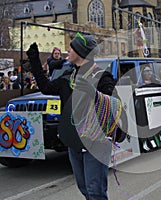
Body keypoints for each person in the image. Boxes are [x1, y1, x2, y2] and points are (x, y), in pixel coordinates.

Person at [26, 32, 116, 200]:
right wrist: (34, 60)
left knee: (95, 191)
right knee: (84, 188)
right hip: (74, 142)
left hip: (96, 141)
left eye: (71, 47)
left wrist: (93, 93)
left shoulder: (102, 77)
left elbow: (113, 103)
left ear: (81, 52)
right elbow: (46, 87)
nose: (67, 49)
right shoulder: (68, 79)